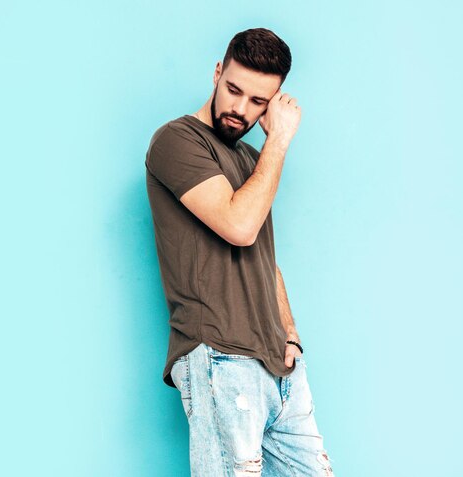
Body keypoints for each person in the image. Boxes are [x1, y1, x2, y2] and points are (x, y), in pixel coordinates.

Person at [144, 28, 335, 476]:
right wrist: (280, 140)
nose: (240, 109)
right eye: (233, 90)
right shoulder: (177, 141)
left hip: (278, 363)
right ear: (217, 72)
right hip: (220, 355)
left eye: (257, 101)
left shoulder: (253, 160)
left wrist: (289, 333)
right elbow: (239, 226)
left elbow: (265, 259)